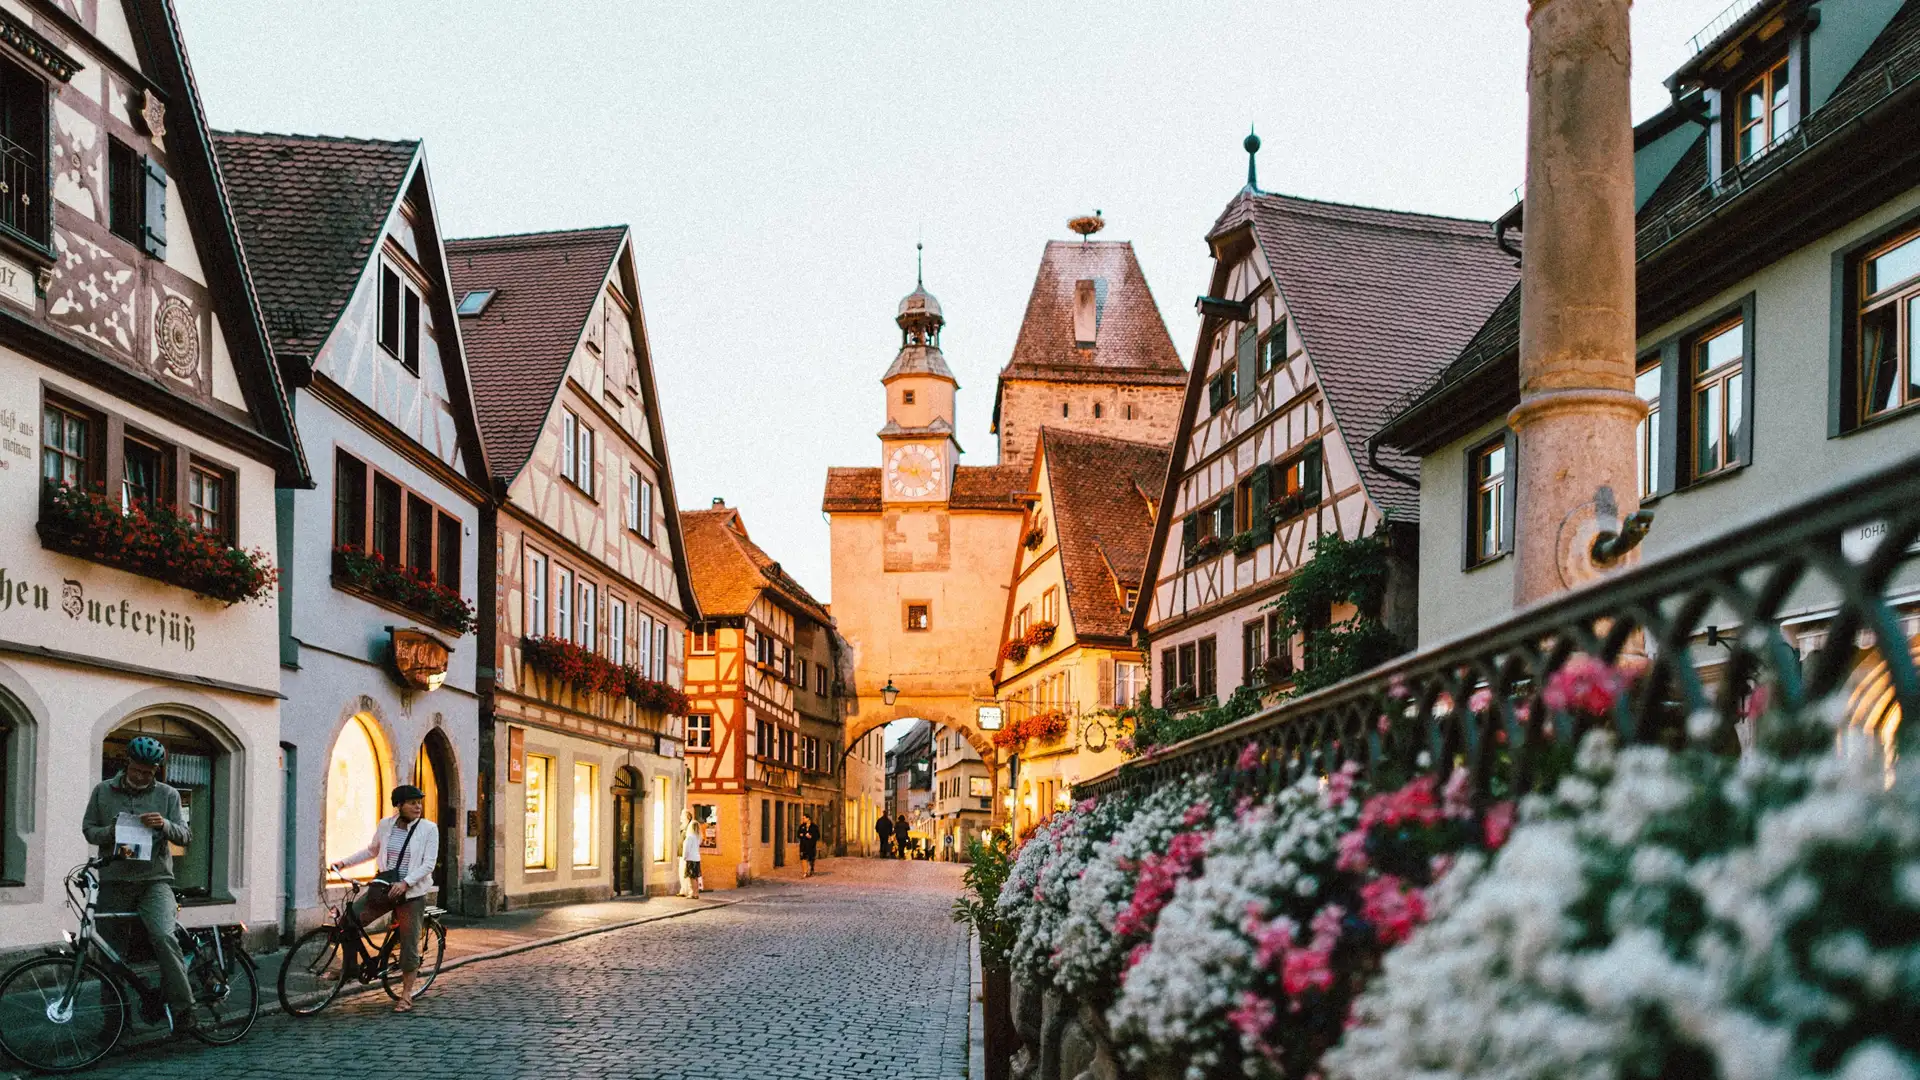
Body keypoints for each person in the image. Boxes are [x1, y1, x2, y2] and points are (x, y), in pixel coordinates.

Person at [82, 737, 195, 1033]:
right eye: (137, 771)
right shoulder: (103, 792)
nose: (143, 777)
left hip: (154, 882)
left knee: (163, 937)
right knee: (109, 955)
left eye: (149, 772)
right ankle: (116, 1024)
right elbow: (89, 831)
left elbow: (185, 835)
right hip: (114, 881)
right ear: (127, 764)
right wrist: (112, 831)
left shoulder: (167, 794)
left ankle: (184, 1011)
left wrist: (165, 825)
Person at [329, 784, 438, 1013]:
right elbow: (372, 851)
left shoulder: (429, 829)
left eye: (419, 802)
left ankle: (406, 995)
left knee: (409, 944)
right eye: (412, 802)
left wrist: (406, 883)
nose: (418, 806)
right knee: (348, 921)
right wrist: (344, 863)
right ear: (399, 805)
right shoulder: (386, 825)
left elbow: (428, 864)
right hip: (385, 888)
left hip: (411, 893)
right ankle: (350, 968)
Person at [680, 808, 703, 899]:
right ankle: (696, 892)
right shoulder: (697, 837)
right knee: (696, 877)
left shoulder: (689, 837)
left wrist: (684, 857)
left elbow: (686, 849)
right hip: (697, 858)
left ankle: (693, 893)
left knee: (691, 877)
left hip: (690, 858)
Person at [796, 812, 819, 877]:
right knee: (803, 858)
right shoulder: (802, 826)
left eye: (804, 818)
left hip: (811, 846)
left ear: (808, 819)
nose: (803, 819)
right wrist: (802, 835)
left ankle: (811, 869)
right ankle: (805, 872)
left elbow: (817, 836)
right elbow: (798, 834)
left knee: (810, 859)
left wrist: (811, 837)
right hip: (803, 845)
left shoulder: (814, 827)